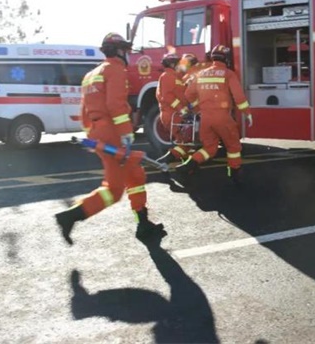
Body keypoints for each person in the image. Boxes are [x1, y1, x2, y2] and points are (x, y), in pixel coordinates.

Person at [54, 33, 166, 245]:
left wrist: (93, 136)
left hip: (98, 131)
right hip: (113, 132)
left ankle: (143, 224)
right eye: (126, 51)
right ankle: (70, 216)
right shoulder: (115, 70)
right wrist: (126, 134)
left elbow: (84, 111)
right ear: (119, 51)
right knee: (113, 191)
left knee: (135, 176)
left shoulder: (91, 75)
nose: (128, 55)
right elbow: (116, 106)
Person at [175, 45, 253, 184]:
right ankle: (234, 173)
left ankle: (188, 165)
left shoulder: (201, 74)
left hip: (205, 118)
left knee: (209, 148)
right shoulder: (228, 74)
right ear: (226, 59)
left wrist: (199, 108)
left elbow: (188, 94)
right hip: (222, 117)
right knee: (233, 146)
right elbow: (238, 96)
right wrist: (247, 112)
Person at [155, 52, 191, 165]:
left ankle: (185, 166)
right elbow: (168, 97)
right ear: (172, 64)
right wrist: (182, 109)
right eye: (178, 63)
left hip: (176, 114)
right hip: (173, 115)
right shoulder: (166, 76)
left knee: (184, 142)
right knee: (185, 142)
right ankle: (167, 160)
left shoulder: (176, 77)